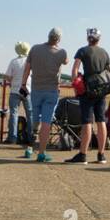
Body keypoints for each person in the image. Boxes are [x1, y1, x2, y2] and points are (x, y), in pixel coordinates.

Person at [67, 28, 110, 164]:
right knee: (101, 121)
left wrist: (76, 86)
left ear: (88, 38)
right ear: (99, 39)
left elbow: (75, 69)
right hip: (101, 91)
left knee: (87, 121)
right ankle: (101, 154)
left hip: (87, 90)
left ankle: (83, 154)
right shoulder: (104, 53)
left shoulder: (82, 51)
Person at [21, 28, 67, 163]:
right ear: (58, 39)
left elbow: (27, 68)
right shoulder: (61, 52)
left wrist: (23, 84)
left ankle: (29, 146)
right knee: (46, 122)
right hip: (51, 90)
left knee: (35, 118)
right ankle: (41, 152)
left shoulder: (34, 49)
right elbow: (66, 61)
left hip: (36, 89)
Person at [4, 41, 32, 145]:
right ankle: (31, 137)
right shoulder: (30, 61)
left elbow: (7, 76)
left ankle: (13, 138)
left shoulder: (14, 61)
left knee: (14, 114)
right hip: (27, 90)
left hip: (15, 90)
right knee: (30, 114)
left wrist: (12, 81)